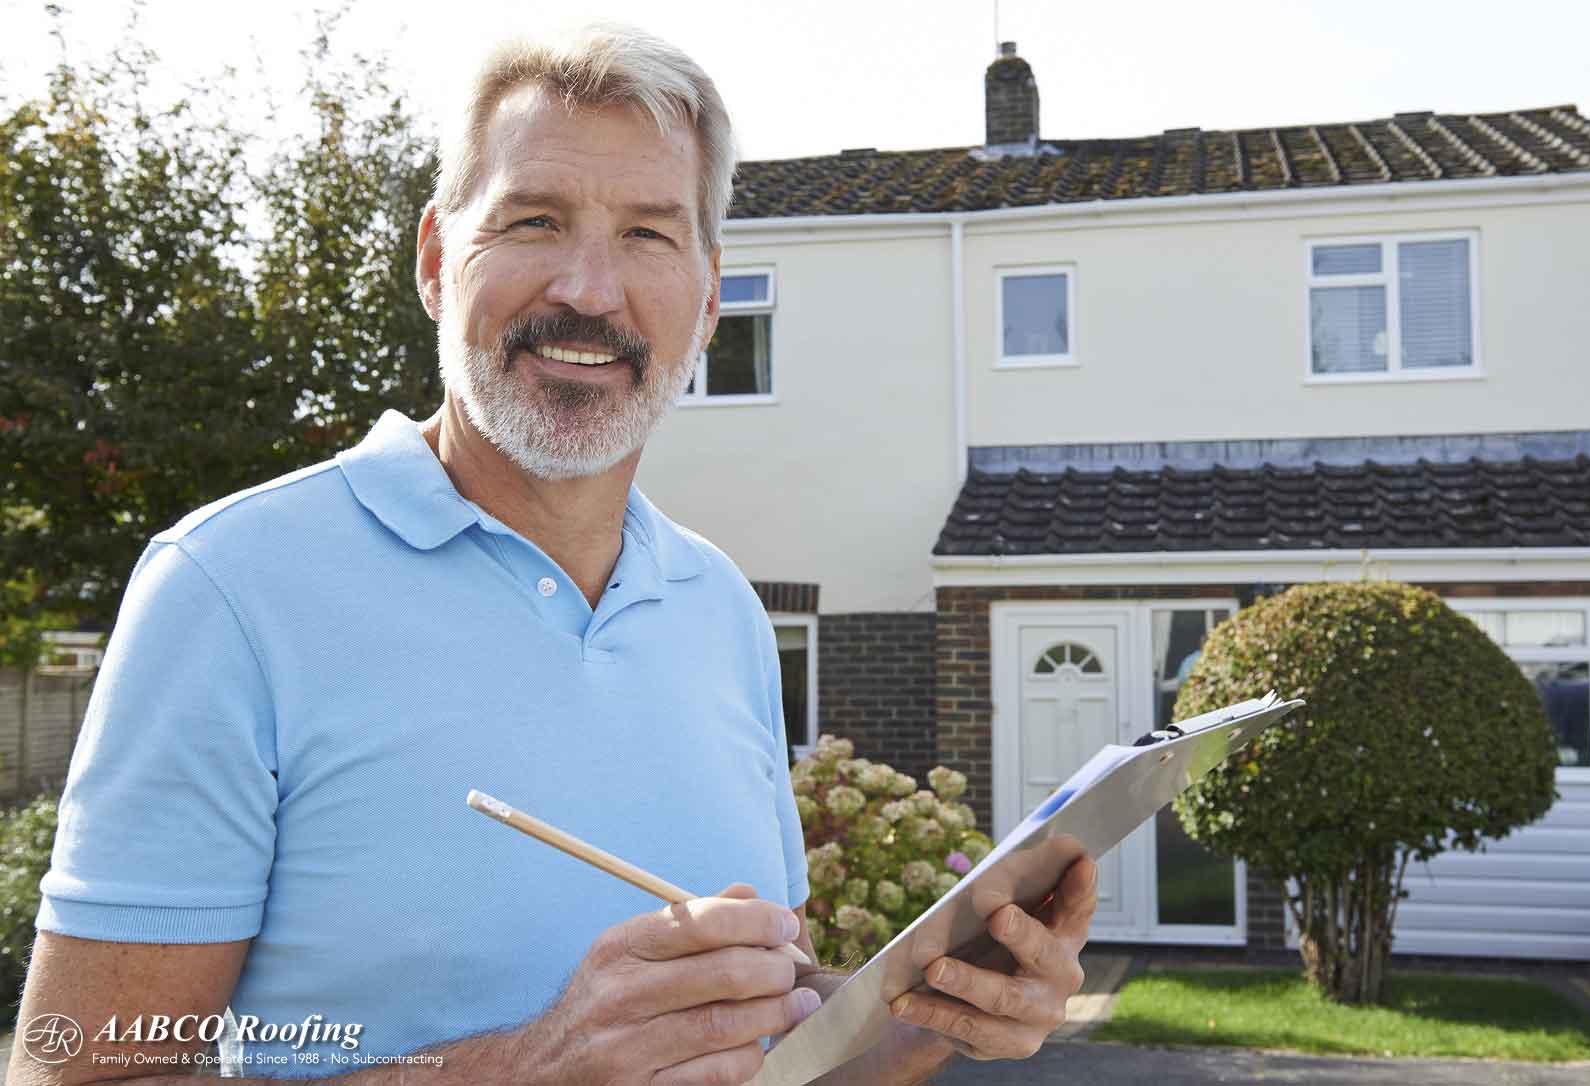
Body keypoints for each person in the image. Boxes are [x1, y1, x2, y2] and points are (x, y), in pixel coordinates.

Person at [10, 24, 1096, 1086]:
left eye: (648, 235)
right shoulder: (230, 592)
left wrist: (945, 1013)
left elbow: (770, 1056)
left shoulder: (718, 607)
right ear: (439, 259)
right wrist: (530, 1066)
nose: (589, 289)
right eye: (534, 220)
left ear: (709, 297)